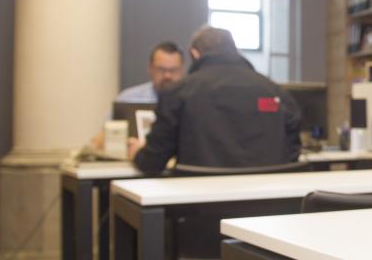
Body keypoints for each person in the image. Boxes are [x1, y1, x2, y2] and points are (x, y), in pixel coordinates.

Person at [129, 26, 302, 175]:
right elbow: (292, 154)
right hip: (267, 205)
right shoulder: (277, 93)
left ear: (194, 54)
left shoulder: (178, 93)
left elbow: (152, 163)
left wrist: (137, 153)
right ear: (236, 51)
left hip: (198, 206)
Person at [117, 41, 185, 102]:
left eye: (173, 70)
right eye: (161, 69)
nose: (167, 76)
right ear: (150, 68)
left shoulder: (191, 102)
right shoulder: (128, 99)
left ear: (182, 70)